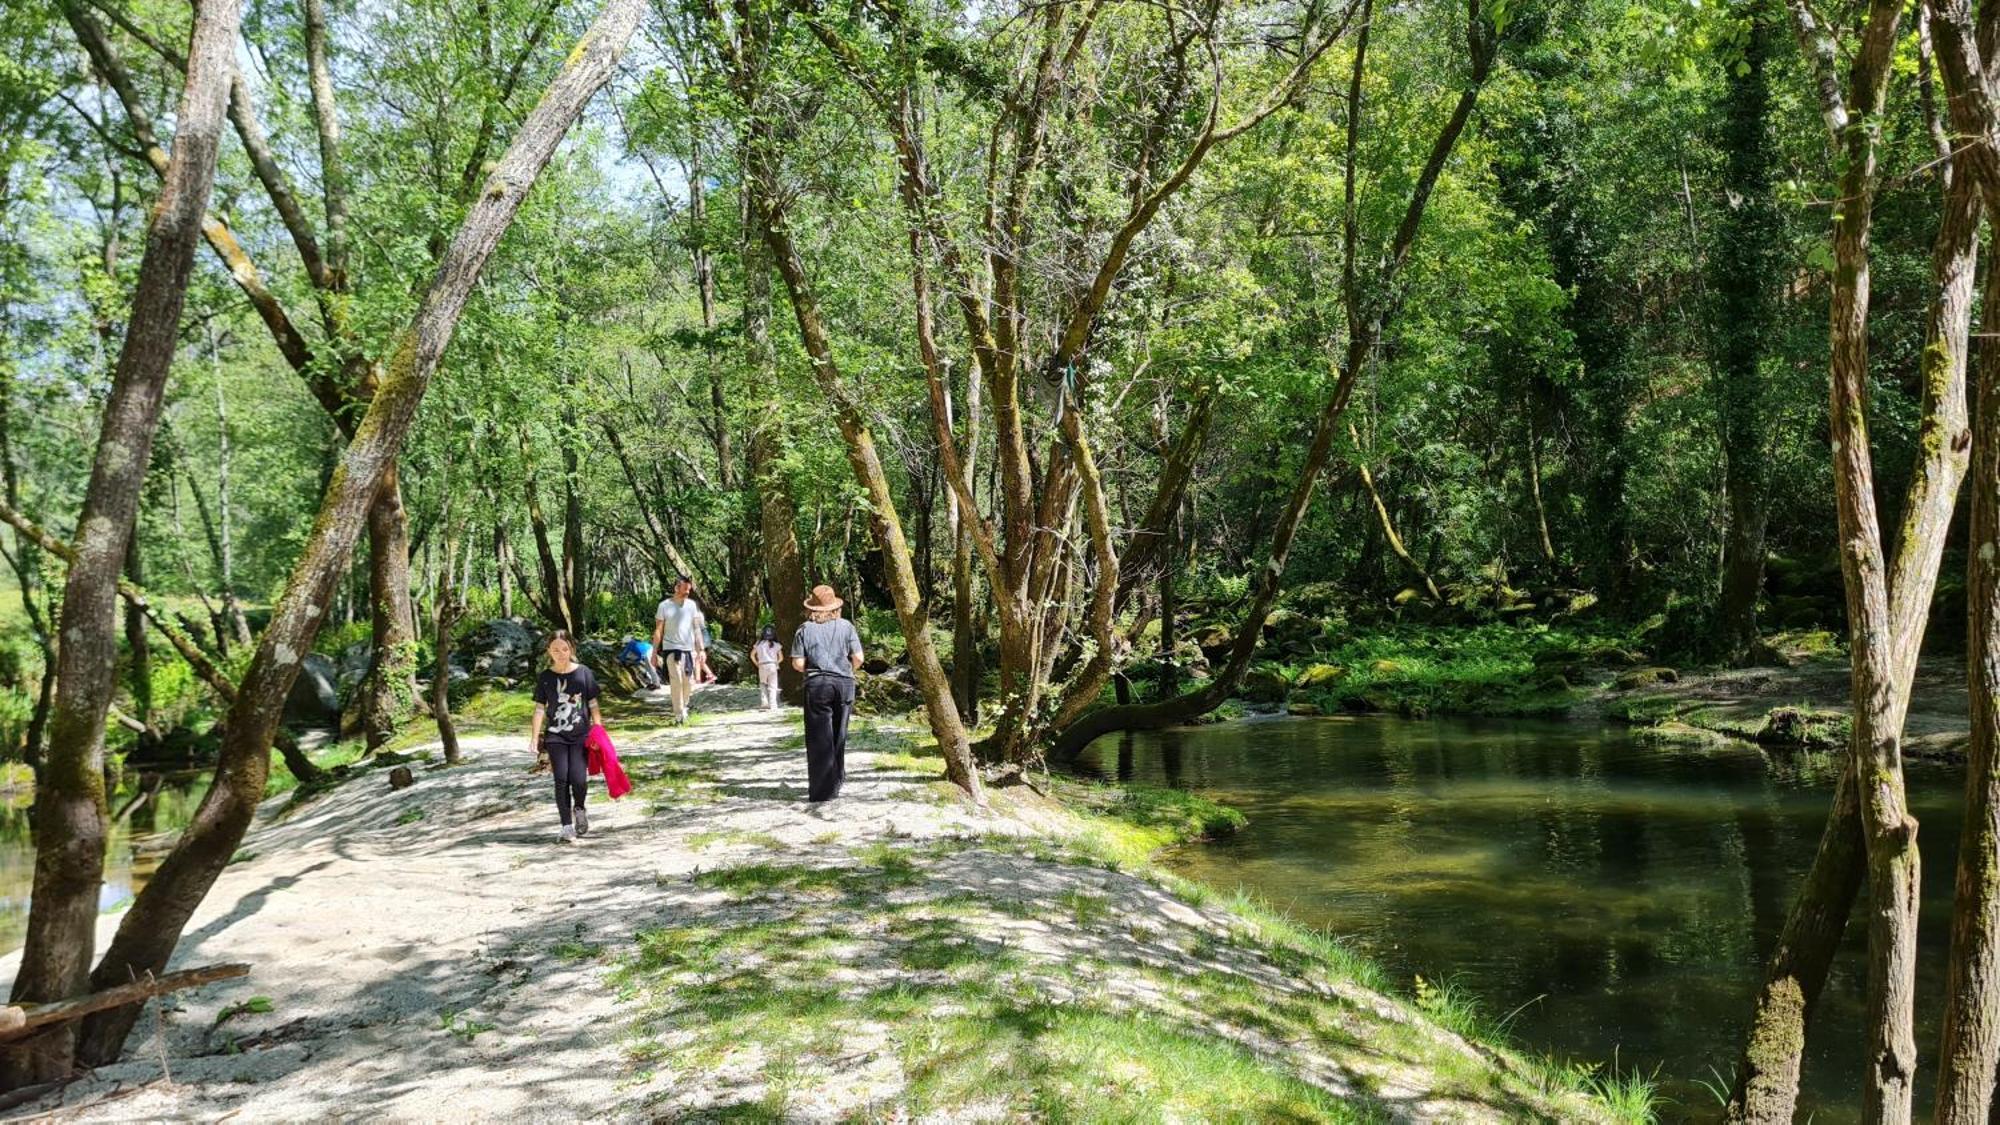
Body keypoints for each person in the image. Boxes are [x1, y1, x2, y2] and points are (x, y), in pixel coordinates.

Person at [791, 584, 863, 803]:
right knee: (839, 735)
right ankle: (838, 779)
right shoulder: (846, 627)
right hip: (844, 684)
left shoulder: (804, 629)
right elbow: (858, 657)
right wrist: (846, 669)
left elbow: (797, 663)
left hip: (818, 685)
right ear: (835, 607)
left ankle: (823, 791)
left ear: (811, 608)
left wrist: (816, 667)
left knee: (819, 738)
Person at [529, 631, 602, 843]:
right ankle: (566, 826)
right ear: (548, 652)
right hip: (555, 737)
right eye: (555, 650)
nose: (561, 654)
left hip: (581, 736)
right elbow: (539, 709)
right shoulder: (545, 678)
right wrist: (534, 738)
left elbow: (593, 704)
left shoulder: (584, 673)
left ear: (571, 649)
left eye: (564, 649)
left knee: (578, 779)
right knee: (561, 779)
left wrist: (598, 730)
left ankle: (579, 807)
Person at [653, 575, 707, 724]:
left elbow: (696, 628)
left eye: (689, 590)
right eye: (685, 589)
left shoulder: (691, 605)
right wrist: (654, 653)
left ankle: (684, 706)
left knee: (688, 682)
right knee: (676, 679)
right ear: (676, 588)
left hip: (688, 650)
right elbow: (658, 631)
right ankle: (678, 714)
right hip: (671, 649)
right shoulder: (664, 606)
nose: (687, 592)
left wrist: (701, 649)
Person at [752, 625, 784, 710]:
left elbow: (752, 655)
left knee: (763, 683)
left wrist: (757, 664)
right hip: (772, 665)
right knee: (773, 685)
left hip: (762, 665)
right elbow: (781, 658)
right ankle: (773, 705)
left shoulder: (758, 644)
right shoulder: (777, 645)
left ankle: (764, 702)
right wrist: (776, 663)